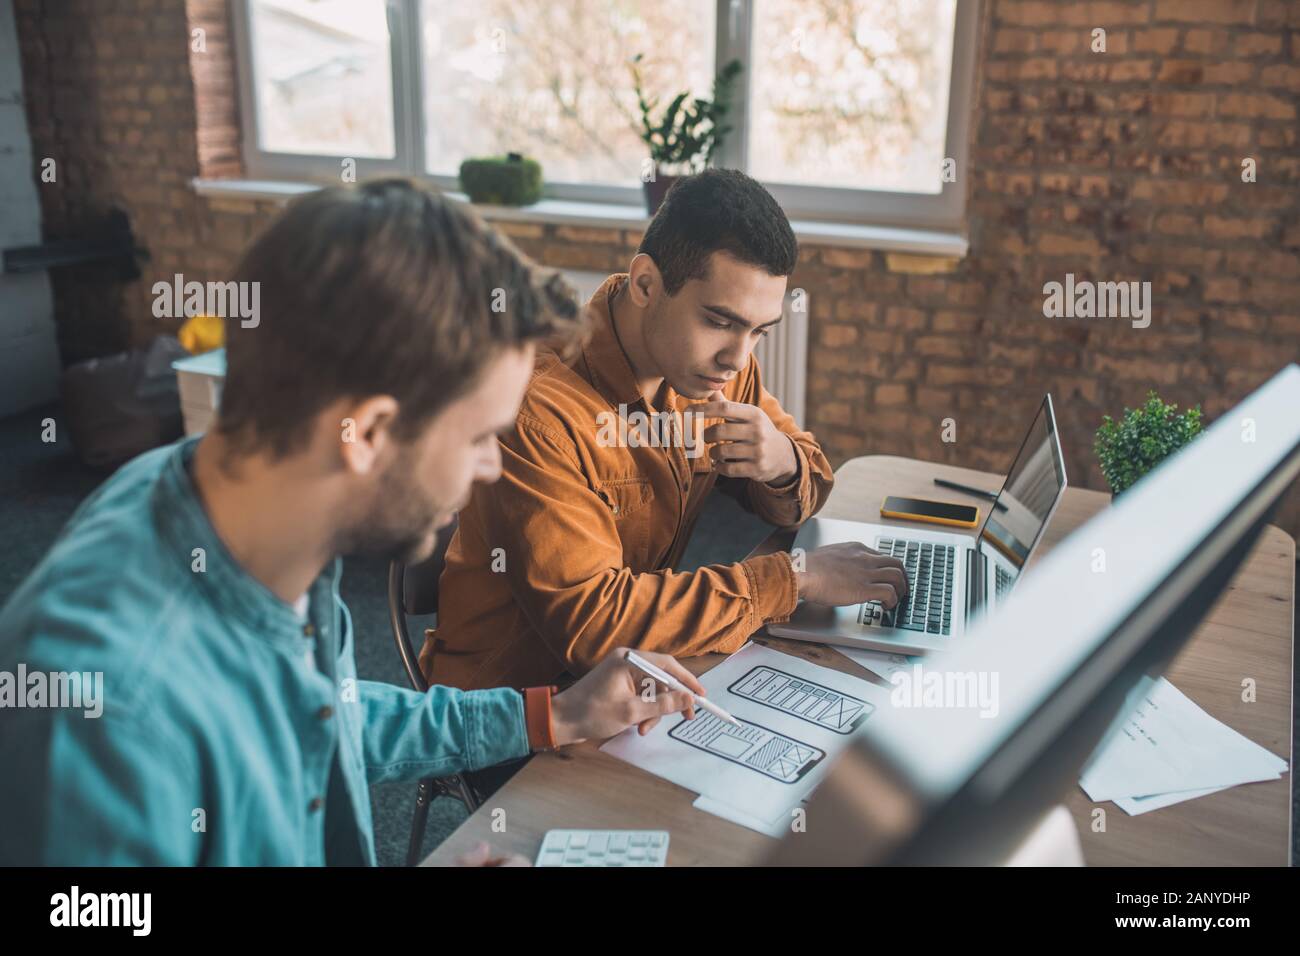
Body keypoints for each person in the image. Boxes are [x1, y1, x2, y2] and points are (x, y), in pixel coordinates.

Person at [0, 179, 703, 866]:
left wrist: (552, 716)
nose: (491, 466)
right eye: (478, 436)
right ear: (366, 434)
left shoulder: (238, 504)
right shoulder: (109, 719)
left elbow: (319, 715)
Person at [426, 169, 907, 692]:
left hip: (633, 680)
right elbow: (596, 628)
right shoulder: (536, 413)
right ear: (646, 284)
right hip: (515, 713)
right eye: (719, 322)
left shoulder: (711, 368)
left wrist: (781, 463)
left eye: (759, 332)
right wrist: (794, 578)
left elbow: (806, 486)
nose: (737, 357)